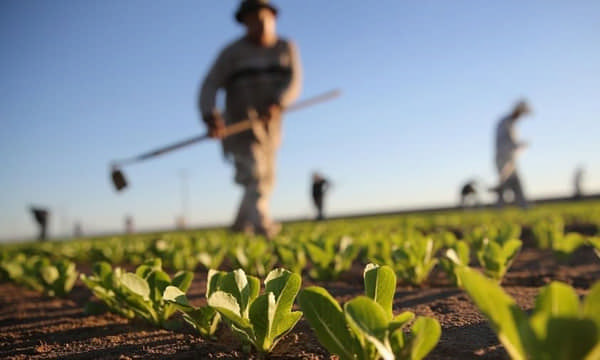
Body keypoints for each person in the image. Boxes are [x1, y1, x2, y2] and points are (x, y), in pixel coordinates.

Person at [199, 0, 302, 238]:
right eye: (252, 20)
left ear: (273, 18)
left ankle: (239, 226)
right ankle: (263, 226)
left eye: (263, 18)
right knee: (254, 175)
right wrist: (209, 115)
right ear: (244, 23)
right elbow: (209, 85)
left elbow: (293, 82)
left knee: (266, 178)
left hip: (271, 128)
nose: (259, 25)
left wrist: (279, 102)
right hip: (240, 126)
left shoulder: (286, 48)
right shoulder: (231, 54)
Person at [492, 100, 531, 208]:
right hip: (503, 159)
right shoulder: (505, 123)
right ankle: (499, 208)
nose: (521, 116)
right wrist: (519, 145)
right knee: (504, 184)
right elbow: (506, 142)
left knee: (515, 183)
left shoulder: (511, 123)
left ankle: (523, 206)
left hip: (510, 159)